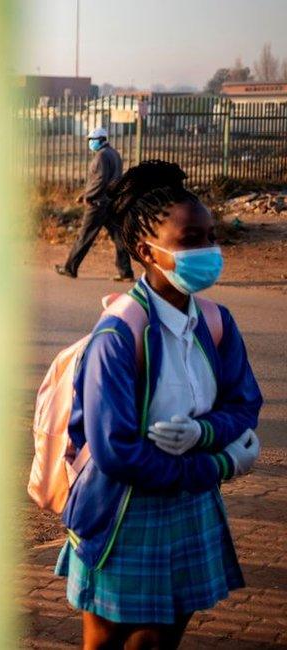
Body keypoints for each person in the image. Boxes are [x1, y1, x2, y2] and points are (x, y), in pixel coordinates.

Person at [54, 160, 263, 649]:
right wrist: (218, 464)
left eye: (211, 236)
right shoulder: (119, 335)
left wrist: (204, 436)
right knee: (108, 641)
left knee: (163, 637)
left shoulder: (215, 321)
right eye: (191, 240)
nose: (209, 251)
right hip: (123, 509)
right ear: (145, 250)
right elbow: (116, 451)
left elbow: (245, 402)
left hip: (189, 505)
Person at [55, 127, 133, 281]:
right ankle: (126, 272)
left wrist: (88, 196)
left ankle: (70, 268)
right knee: (119, 237)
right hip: (112, 203)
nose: (90, 142)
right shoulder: (114, 154)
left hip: (98, 204)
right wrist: (85, 194)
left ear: (102, 140)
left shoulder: (101, 156)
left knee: (84, 236)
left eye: (92, 140)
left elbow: (99, 181)